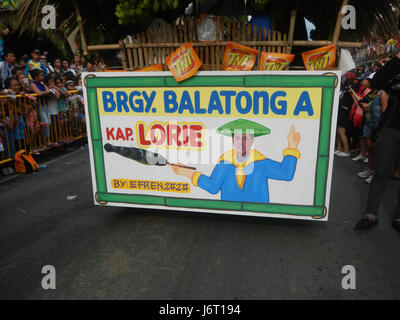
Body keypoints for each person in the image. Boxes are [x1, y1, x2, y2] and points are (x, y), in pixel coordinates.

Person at [171, 119, 301, 203]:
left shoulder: (261, 162)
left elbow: (286, 174)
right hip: (229, 216)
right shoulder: (225, 163)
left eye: (246, 138)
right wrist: (186, 172)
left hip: (259, 216)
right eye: (238, 138)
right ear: (233, 140)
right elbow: (213, 186)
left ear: (252, 141)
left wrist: (292, 146)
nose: (241, 143)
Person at [354, 52, 400, 234]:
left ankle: (398, 217)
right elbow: (376, 83)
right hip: (391, 127)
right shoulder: (395, 66)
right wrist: (397, 57)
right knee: (381, 171)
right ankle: (370, 215)